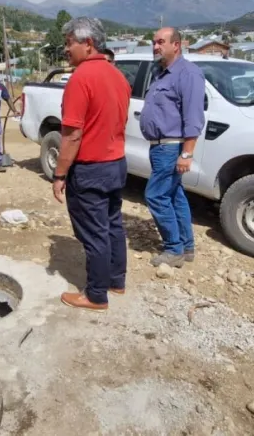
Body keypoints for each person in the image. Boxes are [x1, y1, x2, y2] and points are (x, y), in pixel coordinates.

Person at [51, 17, 131, 311]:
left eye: (69, 43)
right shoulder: (117, 76)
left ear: (88, 44)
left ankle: (96, 295)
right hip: (116, 164)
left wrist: (60, 174)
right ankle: (116, 281)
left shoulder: (81, 78)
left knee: (95, 233)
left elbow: (72, 135)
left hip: (91, 169)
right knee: (112, 225)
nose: (66, 49)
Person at [139, 27, 205, 268]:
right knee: (174, 195)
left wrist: (186, 153)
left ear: (176, 45)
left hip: (171, 147)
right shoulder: (161, 72)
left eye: (161, 42)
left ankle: (173, 249)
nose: (155, 46)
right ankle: (186, 247)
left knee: (155, 195)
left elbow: (193, 117)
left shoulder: (188, 74)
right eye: (154, 42)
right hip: (159, 147)